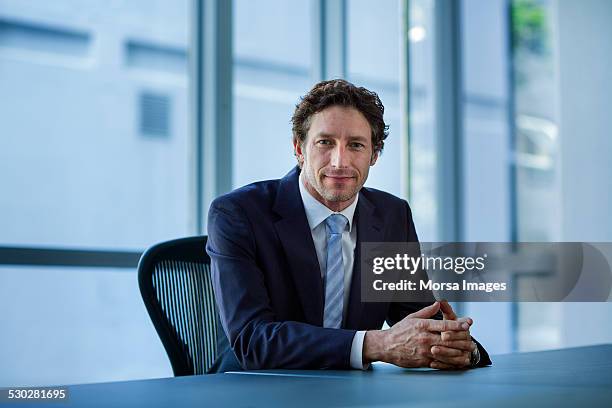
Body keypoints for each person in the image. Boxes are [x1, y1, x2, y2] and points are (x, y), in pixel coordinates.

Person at [206, 79, 491, 372]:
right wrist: (376, 345)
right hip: (254, 390)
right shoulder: (238, 214)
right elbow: (253, 340)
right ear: (299, 148)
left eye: (355, 145)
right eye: (325, 142)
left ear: (374, 155)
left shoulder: (391, 215)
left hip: (354, 393)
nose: (339, 161)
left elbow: (417, 317)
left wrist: (458, 348)